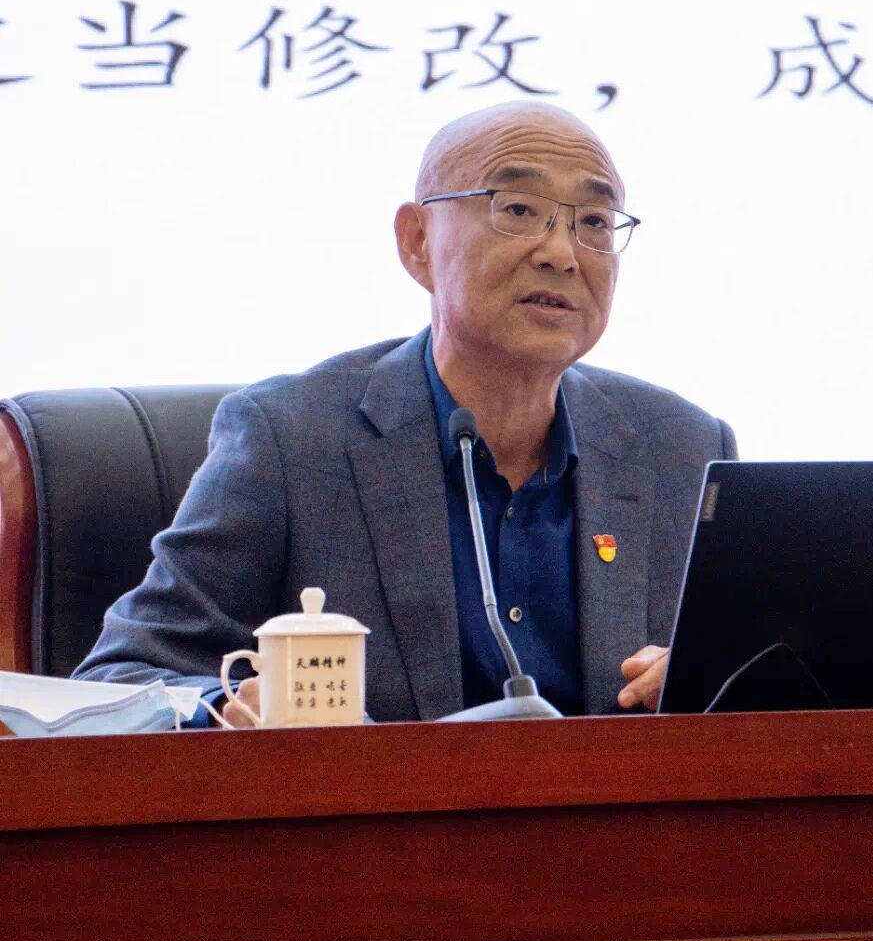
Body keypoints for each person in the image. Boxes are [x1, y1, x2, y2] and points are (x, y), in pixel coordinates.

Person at [74, 101, 736, 722]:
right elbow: (119, 680)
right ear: (417, 242)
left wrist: (709, 684)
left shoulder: (683, 449)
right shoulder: (290, 440)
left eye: (593, 222)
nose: (561, 253)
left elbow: (766, 684)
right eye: (518, 209)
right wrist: (226, 709)